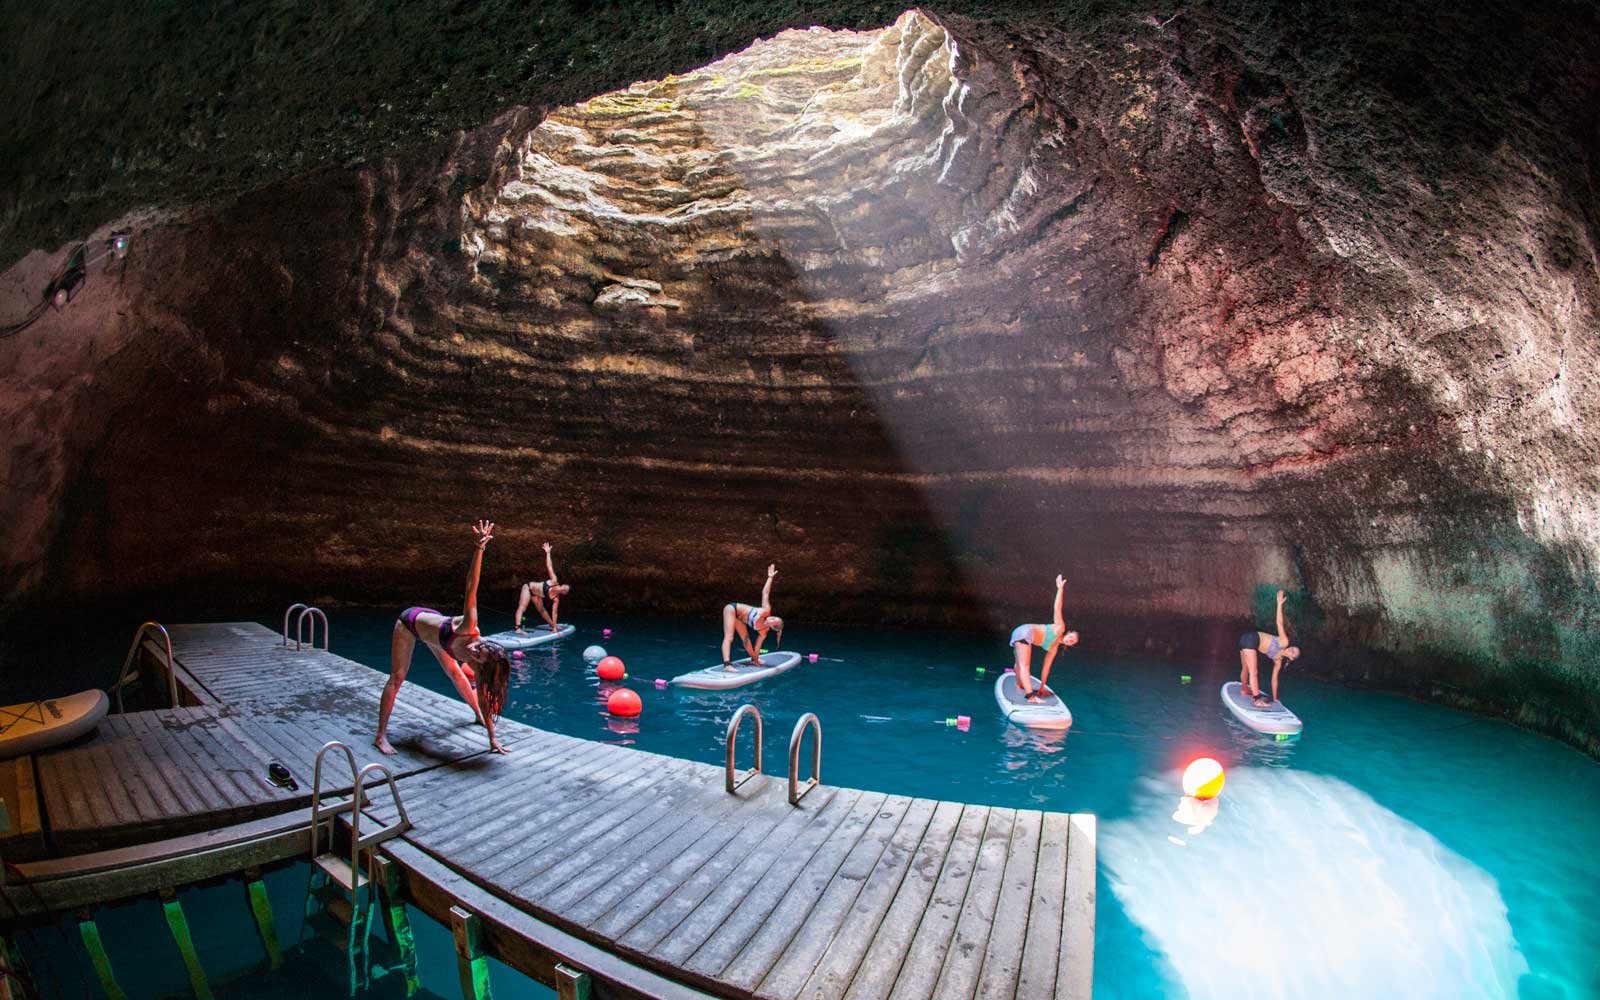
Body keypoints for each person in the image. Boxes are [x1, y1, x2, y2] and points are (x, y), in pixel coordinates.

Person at [377, 520, 512, 756]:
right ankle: (380, 737)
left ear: (481, 664)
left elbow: (483, 697)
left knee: (456, 673)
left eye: (477, 656)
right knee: (397, 678)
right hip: (410, 623)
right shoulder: (470, 626)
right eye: (478, 647)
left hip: (439, 635)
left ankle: (477, 718)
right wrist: (479, 549)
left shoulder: (479, 667)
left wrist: (492, 738)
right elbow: (472, 586)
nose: (473, 651)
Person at [1009, 575, 1080, 702]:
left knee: (1019, 664)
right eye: (1071, 637)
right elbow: (1057, 608)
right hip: (1025, 632)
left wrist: (1042, 687)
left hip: (1019, 633)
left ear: (1071, 645)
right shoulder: (1060, 627)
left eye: (1072, 642)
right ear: (1067, 633)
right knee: (1025, 665)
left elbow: (1046, 668)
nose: (1070, 640)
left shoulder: (1054, 649)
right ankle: (1031, 697)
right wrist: (1060, 589)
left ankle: (1020, 684)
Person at [1239, 589, 1301, 706]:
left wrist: (1275, 697)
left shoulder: (1278, 661)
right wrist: (1279, 604)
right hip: (1252, 639)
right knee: (1254, 671)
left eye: (1293, 652)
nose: (1291, 649)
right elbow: (1279, 624)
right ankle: (1257, 700)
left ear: (1291, 659)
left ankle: (1244, 689)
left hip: (1245, 640)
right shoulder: (1284, 642)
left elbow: (1274, 680)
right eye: (1293, 647)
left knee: (1246, 668)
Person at [721, 564, 784, 669]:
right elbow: (765, 593)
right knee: (729, 637)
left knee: (746, 640)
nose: (771, 617)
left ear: (773, 627)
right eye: (774, 617)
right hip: (732, 609)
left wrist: (756, 659)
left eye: (773, 620)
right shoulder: (766, 611)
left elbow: (757, 646)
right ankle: (727, 664)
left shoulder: (763, 632)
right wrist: (770, 577)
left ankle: (753, 659)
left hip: (740, 619)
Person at [514, 541, 572, 633]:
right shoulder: (554, 581)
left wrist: (555, 627)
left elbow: (554, 612)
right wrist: (548, 553)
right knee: (522, 607)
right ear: (563, 585)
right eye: (565, 586)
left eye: (566, 590)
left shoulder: (556, 598)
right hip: (528, 588)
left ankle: (552, 625)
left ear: (564, 593)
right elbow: (549, 566)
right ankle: (518, 628)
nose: (564, 588)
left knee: (542, 610)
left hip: (537, 595)